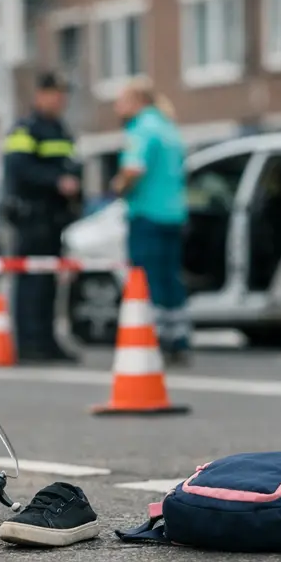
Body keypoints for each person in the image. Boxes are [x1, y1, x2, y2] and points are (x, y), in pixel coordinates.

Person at [110, 76, 191, 365]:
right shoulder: (169, 128)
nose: (117, 108)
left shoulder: (141, 128)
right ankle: (178, 338)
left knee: (146, 280)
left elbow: (133, 168)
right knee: (171, 278)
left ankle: (152, 339)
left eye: (121, 102)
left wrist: (117, 186)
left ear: (137, 101)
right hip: (174, 215)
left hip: (147, 214)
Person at [2, 72, 81, 362]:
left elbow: (70, 165)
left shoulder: (59, 129)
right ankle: (29, 342)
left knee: (48, 284)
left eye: (63, 95)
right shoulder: (26, 129)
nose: (61, 101)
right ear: (41, 96)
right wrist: (56, 181)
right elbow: (19, 169)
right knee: (31, 282)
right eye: (56, 95)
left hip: (54, 218)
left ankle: (47, 341)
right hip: (31, 217)